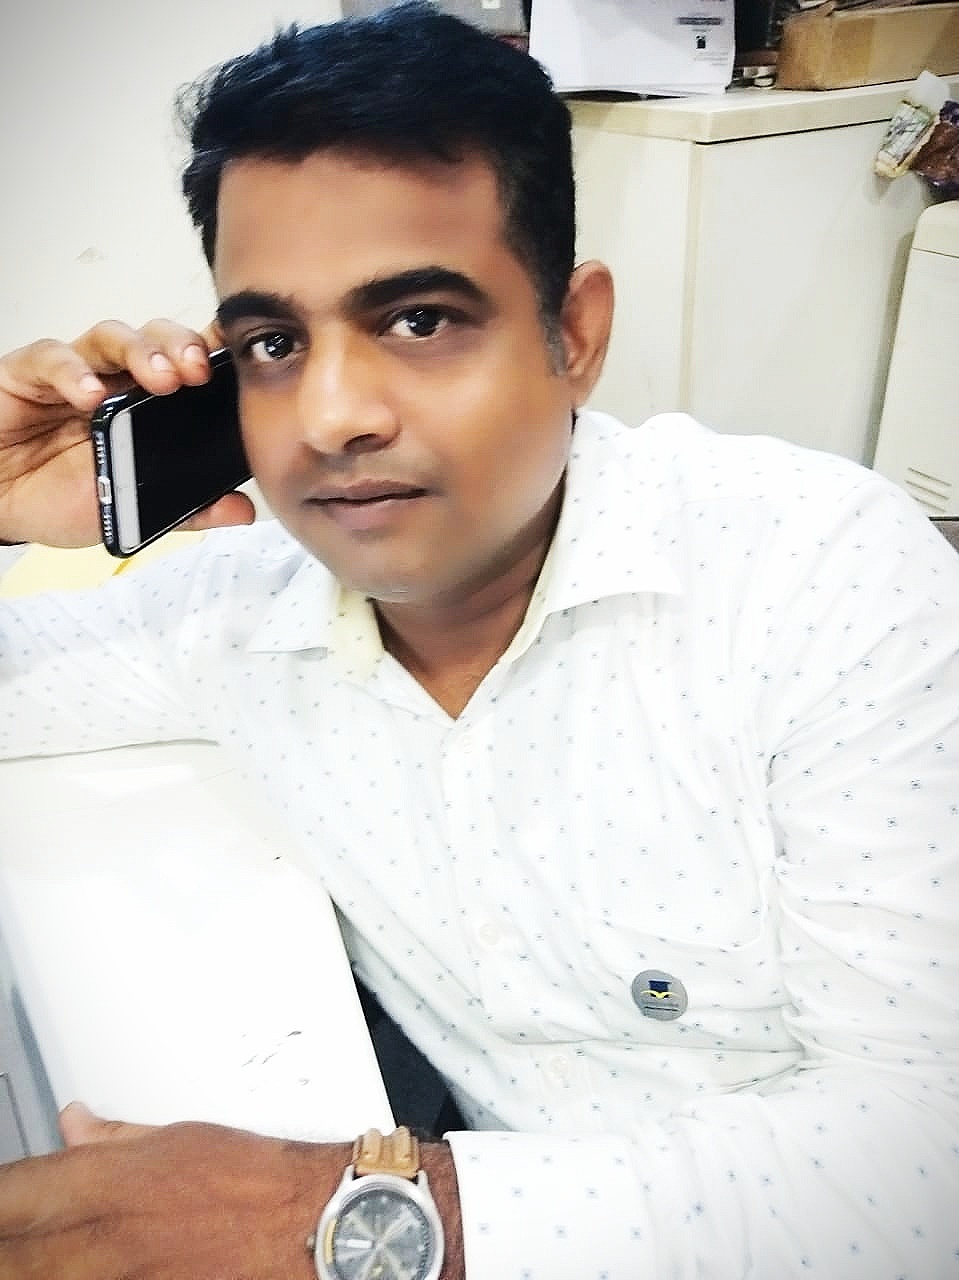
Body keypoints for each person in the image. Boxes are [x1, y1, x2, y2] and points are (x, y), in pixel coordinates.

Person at [0, 3, 957, 1276]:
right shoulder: (234, 611)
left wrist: (347, 1216)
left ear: (573, 332)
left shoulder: (818, 580)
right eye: (273, 343)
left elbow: (927, 1150)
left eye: (418, 319)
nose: (330, 417)